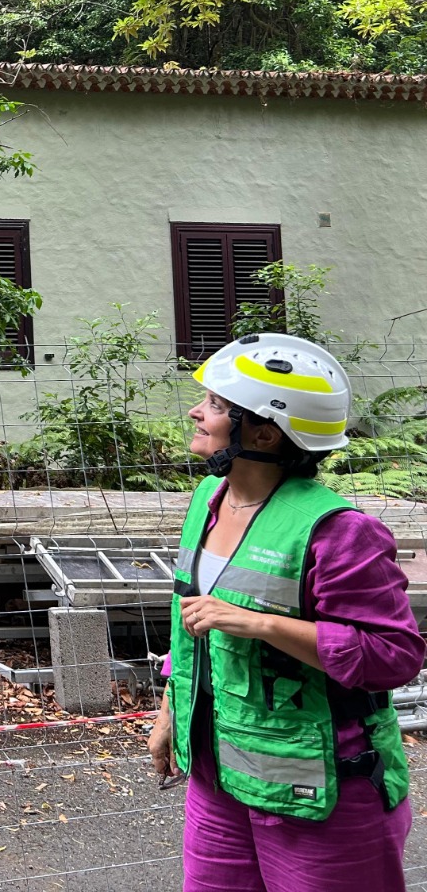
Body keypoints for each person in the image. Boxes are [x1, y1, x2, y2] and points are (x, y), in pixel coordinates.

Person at [148, 333, 423, 891]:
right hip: (218, 779)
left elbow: (394, 656)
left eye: (218, 406)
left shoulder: (339, 532)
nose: (197, 412)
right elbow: (192, 622)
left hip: (321, 795)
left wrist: (262, 623)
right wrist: (168, 709)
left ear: (265, 432)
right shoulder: (210, 498)